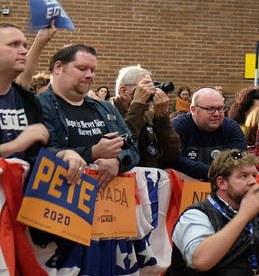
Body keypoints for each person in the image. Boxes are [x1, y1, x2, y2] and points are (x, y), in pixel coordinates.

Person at [39, 44, 139, 186]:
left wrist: (118, 160)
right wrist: (92, 152)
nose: (90, 75)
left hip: (107, 196)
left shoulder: (106, 108)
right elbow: (36, 153)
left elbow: (133, 148)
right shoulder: (38, 105)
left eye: (93, 70)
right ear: (58, 67)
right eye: (82, 68)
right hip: (56, 193)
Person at [111, 65, 181, 168]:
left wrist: (162, 117)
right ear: (124, 91)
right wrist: (138, 105)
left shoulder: (148, 115)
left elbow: (171, 154)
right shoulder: (106, 113)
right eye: (143, 88)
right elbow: (120, 147)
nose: (150, 92)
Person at [172, 88, 247, 180]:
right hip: (185, 184)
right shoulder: (177, 127)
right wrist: (213, 172)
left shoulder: (231, 127)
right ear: (193, 110)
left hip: (222, 183)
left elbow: (238, 158)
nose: (216, 114)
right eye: (210, 109)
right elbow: (174, 160)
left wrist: (212, 172)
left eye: (220, 108)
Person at [0, 24, 50, 162]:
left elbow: (39, 152)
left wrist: (63, 154)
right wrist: (13, 146)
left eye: (25, 46)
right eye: (14, 44)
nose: (23, 51)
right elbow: (19, 144)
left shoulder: (28, 101)